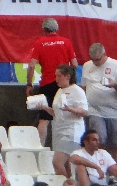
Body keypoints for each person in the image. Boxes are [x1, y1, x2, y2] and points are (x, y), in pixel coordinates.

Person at [27, 18, 78, 146]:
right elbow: (74, 64)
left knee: (44, 119)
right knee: (65, 116)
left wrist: (29, 84)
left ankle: (39, 149)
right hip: (64, 85)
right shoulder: (66, 42)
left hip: (47, 83)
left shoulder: (40, 42)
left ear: (44, 30)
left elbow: (32, 66)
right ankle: (66, 148)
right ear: (57, 28)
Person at [80, 43, 117, 161]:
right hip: (94, 109)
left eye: (97, 60)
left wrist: (114, 84)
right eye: (93, 60)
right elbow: (84, 86)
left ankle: (113, 172)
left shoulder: (116, 65)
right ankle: (98, 166)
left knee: (116, 143)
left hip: (113, 110)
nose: (95, 63)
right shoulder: (87, 66)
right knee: (98, 138)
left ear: (104, 55)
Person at [45, 64, 89, 177]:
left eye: (59, 76)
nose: (56, 79)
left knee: (57, 162)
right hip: (58, 130)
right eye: (56, 76)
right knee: (66, 165)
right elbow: (57, 112)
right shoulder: (60, 91)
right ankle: (70, 183)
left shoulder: (77, 91)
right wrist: (45, 108)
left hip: (71, 131)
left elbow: (84, 111)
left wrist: (71, 109)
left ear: (67, 76)